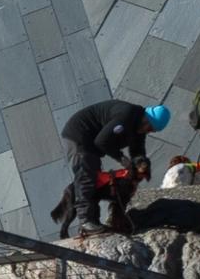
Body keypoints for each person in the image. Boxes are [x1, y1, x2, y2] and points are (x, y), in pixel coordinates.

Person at [61, 97, 166, 232]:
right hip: (78, 136)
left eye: (152, 131)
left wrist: (140, 162)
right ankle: (86, 221)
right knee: (86, 177)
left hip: (91, 144)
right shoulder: (127, 116)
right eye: (150, 128)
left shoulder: (139, 127)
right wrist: (123, 160)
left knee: (95, 182)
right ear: (146, 119)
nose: (149, 131)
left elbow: (137, 151)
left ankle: (93, 221)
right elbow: (101, 141)